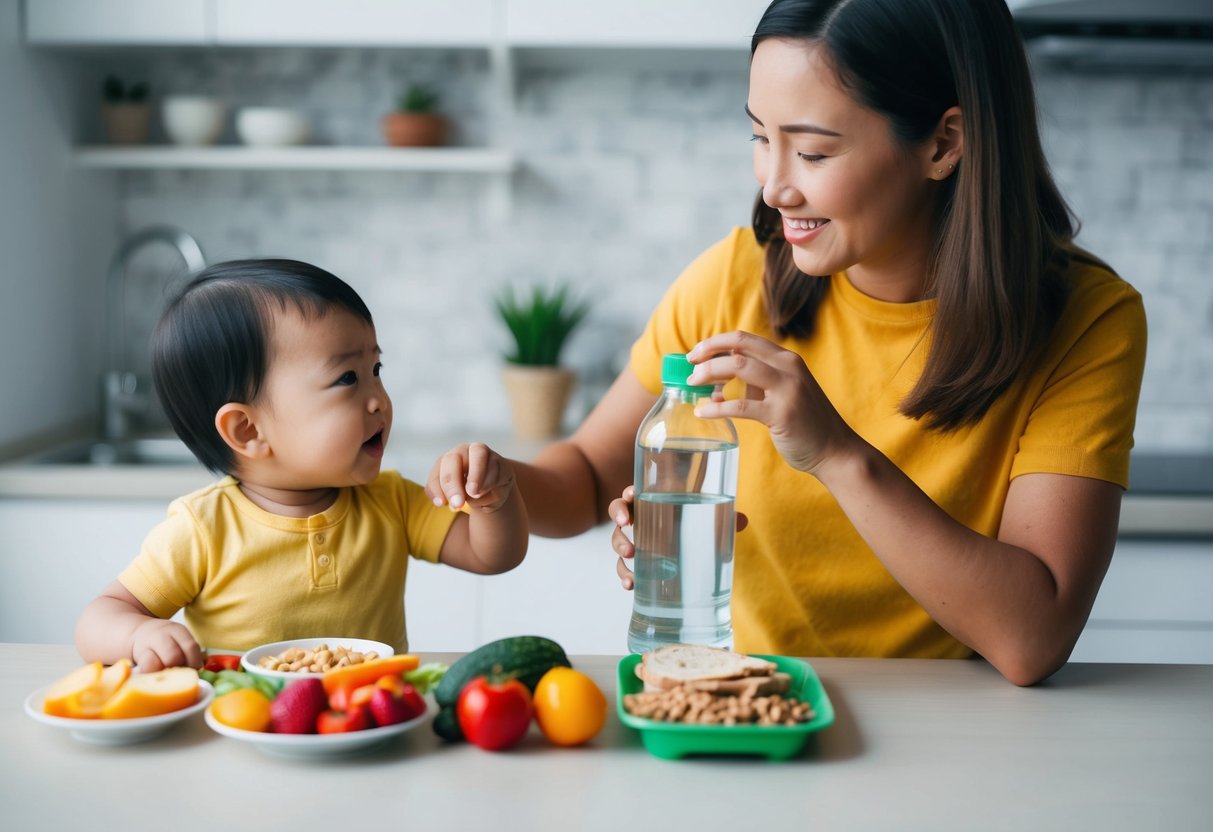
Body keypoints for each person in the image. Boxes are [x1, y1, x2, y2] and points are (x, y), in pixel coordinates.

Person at [430, 0, 1146, 686]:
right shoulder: (731, 281)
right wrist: (496, 484)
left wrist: (835, 453)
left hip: (961, 735)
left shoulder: (1086, 320)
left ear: (942, 143)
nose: (773, 186)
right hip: (756, 705)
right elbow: (587, 474)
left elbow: (1032, 639)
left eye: (810, 150)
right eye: (758, 137)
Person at [77, 260, 527, 671]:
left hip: (368, 721)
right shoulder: (203, 529)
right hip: (249, 726)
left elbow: (493, 555)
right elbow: (99, 618)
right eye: (347, 378)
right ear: (248, 431)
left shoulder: (392, 501)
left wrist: (492, 500)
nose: (379, 400)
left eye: (376, 369)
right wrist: (139, 633)